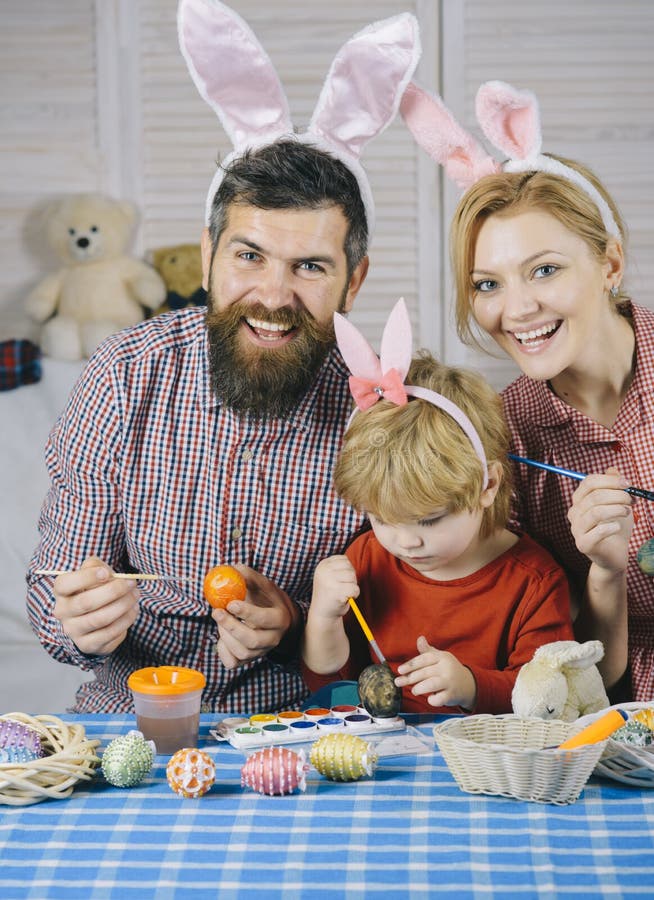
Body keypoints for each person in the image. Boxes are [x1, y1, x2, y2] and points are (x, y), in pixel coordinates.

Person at [25, 2, 421, 713]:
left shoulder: (385, 407)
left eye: (310, 267)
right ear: (208, 255)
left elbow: (417, 612)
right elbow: (52, 595)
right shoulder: (122, 375)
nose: (273, 295)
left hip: (303, 724)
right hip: (131, 718)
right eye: (248, 255)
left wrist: (298, 625)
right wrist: (77, 621)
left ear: (353, 282)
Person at [401, 79, 651, 701]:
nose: (517, 309)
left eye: (544, 269)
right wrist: (606, 573)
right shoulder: (503, 437)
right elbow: (582, 673)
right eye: (487, 284)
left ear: (610, 264)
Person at [301, 300, 574, 714]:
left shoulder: (533, 583)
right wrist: (322, 616)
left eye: (429, 519)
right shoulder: (367, 560)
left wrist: (472, 685)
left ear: (488, 485)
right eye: (381, 519)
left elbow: (554, 696)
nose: (406, 541)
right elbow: (327, 687)